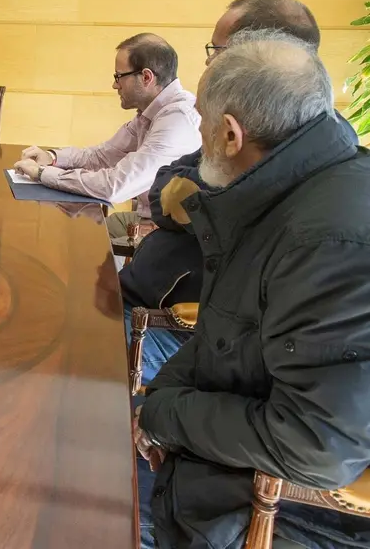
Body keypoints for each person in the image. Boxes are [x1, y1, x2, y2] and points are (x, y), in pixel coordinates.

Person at [133, 33, 370, 549]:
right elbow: (225, 329)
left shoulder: (327, 240)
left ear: (231, 135)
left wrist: (165, 416)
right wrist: (157, 401)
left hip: (289, 510)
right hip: (225, 440)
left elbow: (319, 445)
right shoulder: (283, 189)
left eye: (203, 123)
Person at [121, 0, 359, 386]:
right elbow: (163, 187)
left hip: (169, 328)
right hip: (148, 301)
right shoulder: (272, 137)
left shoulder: (301, 174)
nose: (210, 61)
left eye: (217, 50)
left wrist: (161, 416)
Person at [15, 33, 200, 239]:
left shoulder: (177, 120)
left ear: (146, 77)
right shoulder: (149, 112)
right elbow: (102, 156)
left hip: (174, 236)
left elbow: (115, 186)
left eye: (118, 76)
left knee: (75, 241)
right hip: (146, 221)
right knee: (74, 234)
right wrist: (53, 157)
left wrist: (42, 174)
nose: (114, 85)